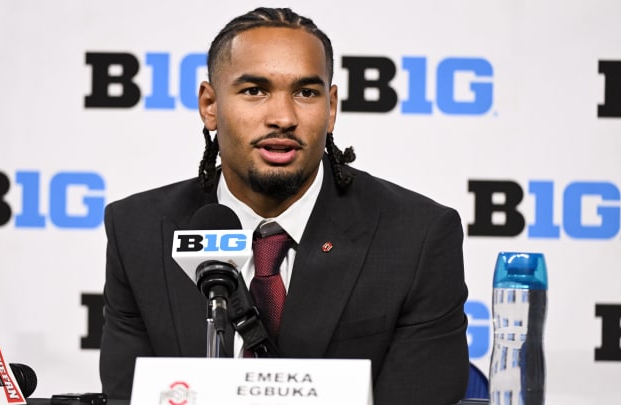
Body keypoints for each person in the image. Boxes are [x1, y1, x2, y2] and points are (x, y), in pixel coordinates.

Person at [99, 7, 469, 404]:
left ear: (331, 108)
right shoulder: (138, 230)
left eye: (306, 93)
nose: (283, 117)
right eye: (254, 90)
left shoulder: (418, 237)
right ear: (210, 104)